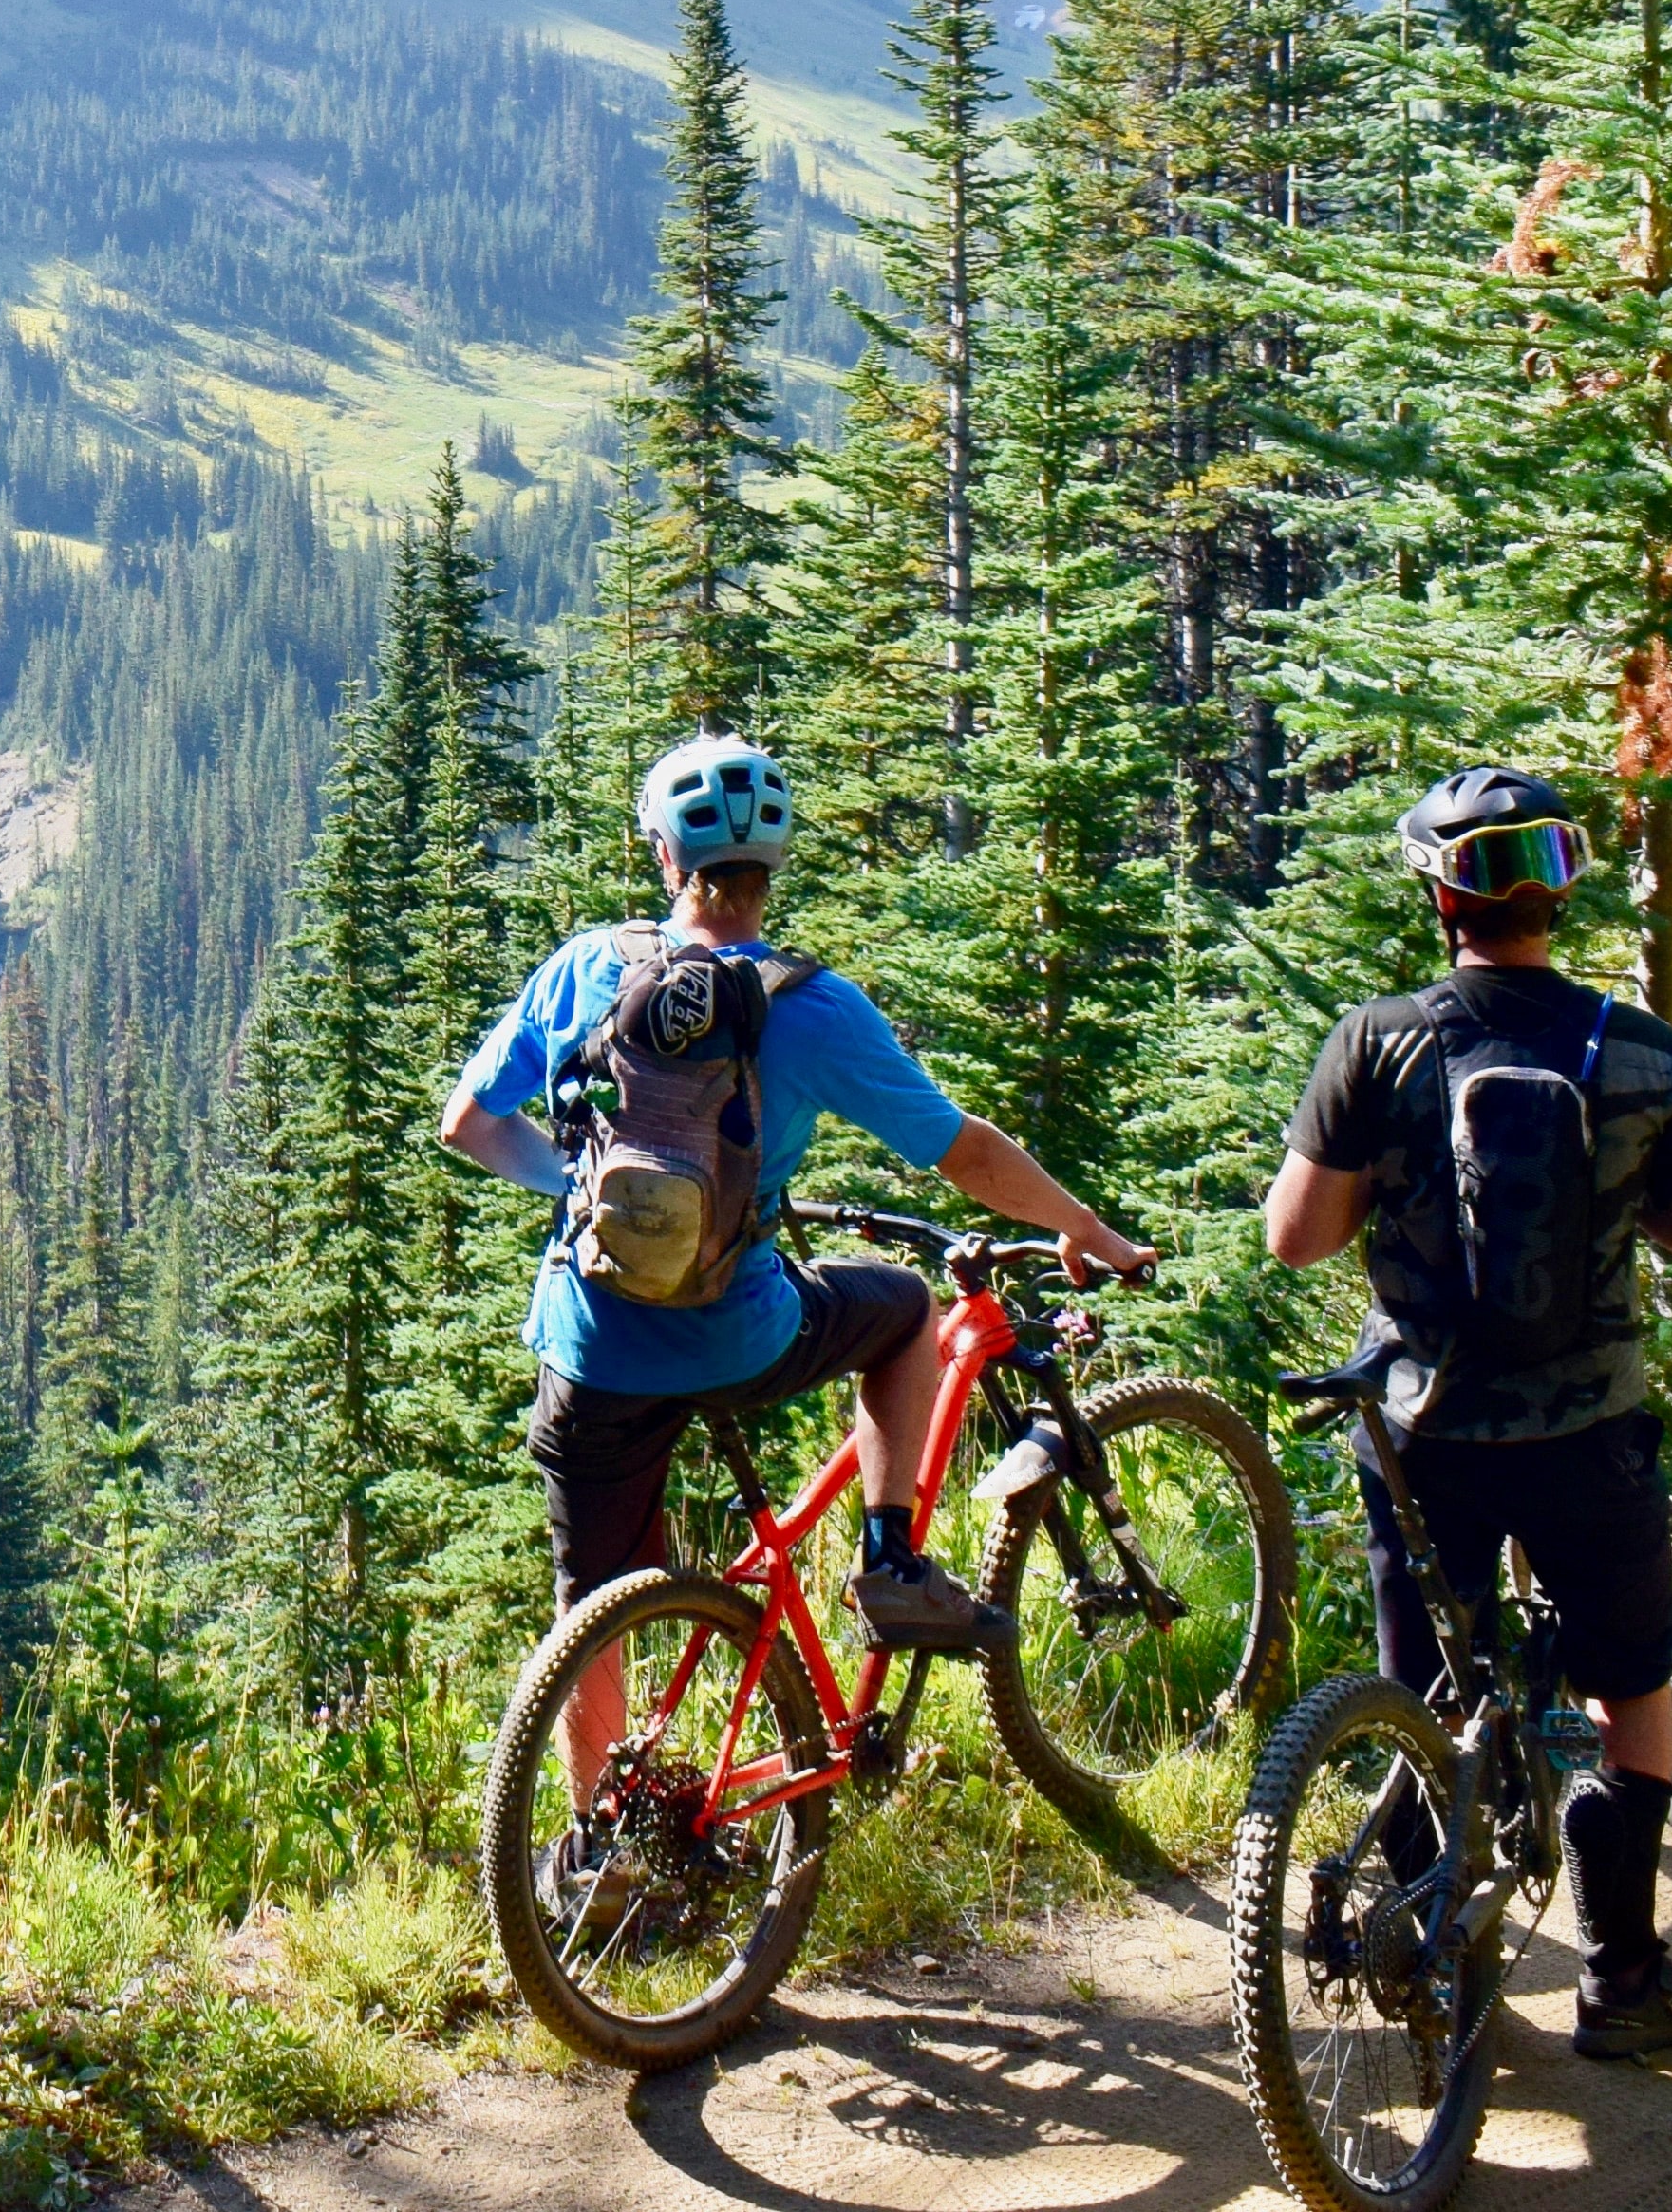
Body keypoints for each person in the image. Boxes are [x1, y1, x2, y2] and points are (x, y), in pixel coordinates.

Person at [439, 729, 1155, 1743]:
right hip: (743, 1333)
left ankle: (595, 1855)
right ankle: (889, 1551)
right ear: (771, 865)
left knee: (586, 1608)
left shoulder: (584, 970)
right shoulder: (811, 1006)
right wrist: (1083, 1225)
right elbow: (963, 1153)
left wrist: (578, 1190)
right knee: (906, 1307)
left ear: (664, 857)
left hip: (591, 1342)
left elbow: (466, 1122)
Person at [1259, 765, 1672, 2066]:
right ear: (1561, 887)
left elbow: (1296, 1238)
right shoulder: (1637, 1047)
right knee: (1629, 1697)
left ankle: (1438, 1954)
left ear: (1440, 896)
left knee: (1424, 1688)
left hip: (1424, 1430)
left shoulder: (1379, 1040)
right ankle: (1624, 1981)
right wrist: (1627, 1203)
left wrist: (1392, 1187)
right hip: (1590, 1433)